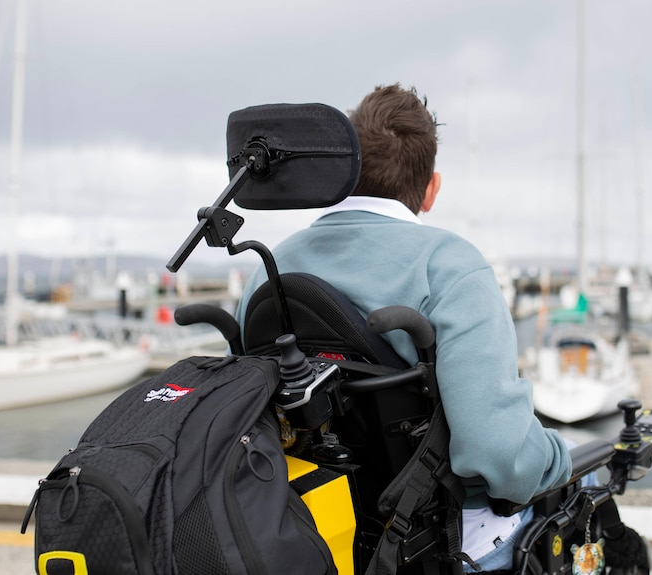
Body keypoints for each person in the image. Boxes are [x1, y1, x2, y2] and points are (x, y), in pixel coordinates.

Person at [234, 83, 572, 572]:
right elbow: (498, 454)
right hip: (439, 539)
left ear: (342, 176)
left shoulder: (270, 267)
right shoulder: (450, 266)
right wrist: (561, 456)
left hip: (309, 528)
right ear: (431, 189)